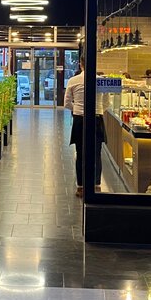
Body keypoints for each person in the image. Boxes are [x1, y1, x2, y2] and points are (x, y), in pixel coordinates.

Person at [64, 56, 102, 197]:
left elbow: (66, 103)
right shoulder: (101, 81)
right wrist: (98, 110)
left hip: (79, 119)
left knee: (80, 152)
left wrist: (77, 109)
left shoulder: (73, 80)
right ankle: (96, 185)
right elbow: (107, 103)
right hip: (97, 119)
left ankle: (80, 186)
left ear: (81, 64)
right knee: (96, 153)